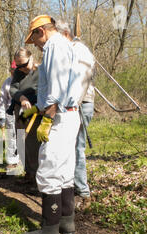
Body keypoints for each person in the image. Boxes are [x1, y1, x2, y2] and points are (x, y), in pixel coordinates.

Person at [19, 15, 85, 234]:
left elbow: (56, 90)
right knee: (65, 170)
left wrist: (47, 118)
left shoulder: (55, 47)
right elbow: (54, 89)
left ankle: (49, 230)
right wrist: (34, 110)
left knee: (48, 171)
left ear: (41, 32)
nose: (35, 45)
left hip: (58, 117)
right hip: (70, 114)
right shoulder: (65, 46)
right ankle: (66, 221)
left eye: (34, 39)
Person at [56, 20, 95, 209]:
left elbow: (78, 81)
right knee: (70, 147)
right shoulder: (69, 49)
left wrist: (72, 103)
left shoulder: (77, 49)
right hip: (74, 104)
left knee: (76, 148)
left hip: (80, 103)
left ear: (64, 34)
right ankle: (72, 188)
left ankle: (82, 191)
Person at [8, 48, 41, 186]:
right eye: (18, 66)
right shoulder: (17, 73)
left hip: (35, 111)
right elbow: (13, 89)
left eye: (23, 65)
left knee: (33, 143)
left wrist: (31, 100)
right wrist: (21, 97)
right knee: (21, 140)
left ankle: (36, 176)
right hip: (20, 110)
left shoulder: (41, 71)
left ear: (31, 58)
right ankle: (28, 172)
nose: (21, 69)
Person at [0, 60, 20, 173]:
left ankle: (23, 162)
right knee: (11, 138)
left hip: (23, 113)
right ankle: (12, 161)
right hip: (10, 114)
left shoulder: (25, 80)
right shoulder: (7, 82)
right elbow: (2, 100)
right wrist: (1, 117)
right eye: (11, 71)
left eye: (15, 71)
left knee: (22, 137)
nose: (13, 73)